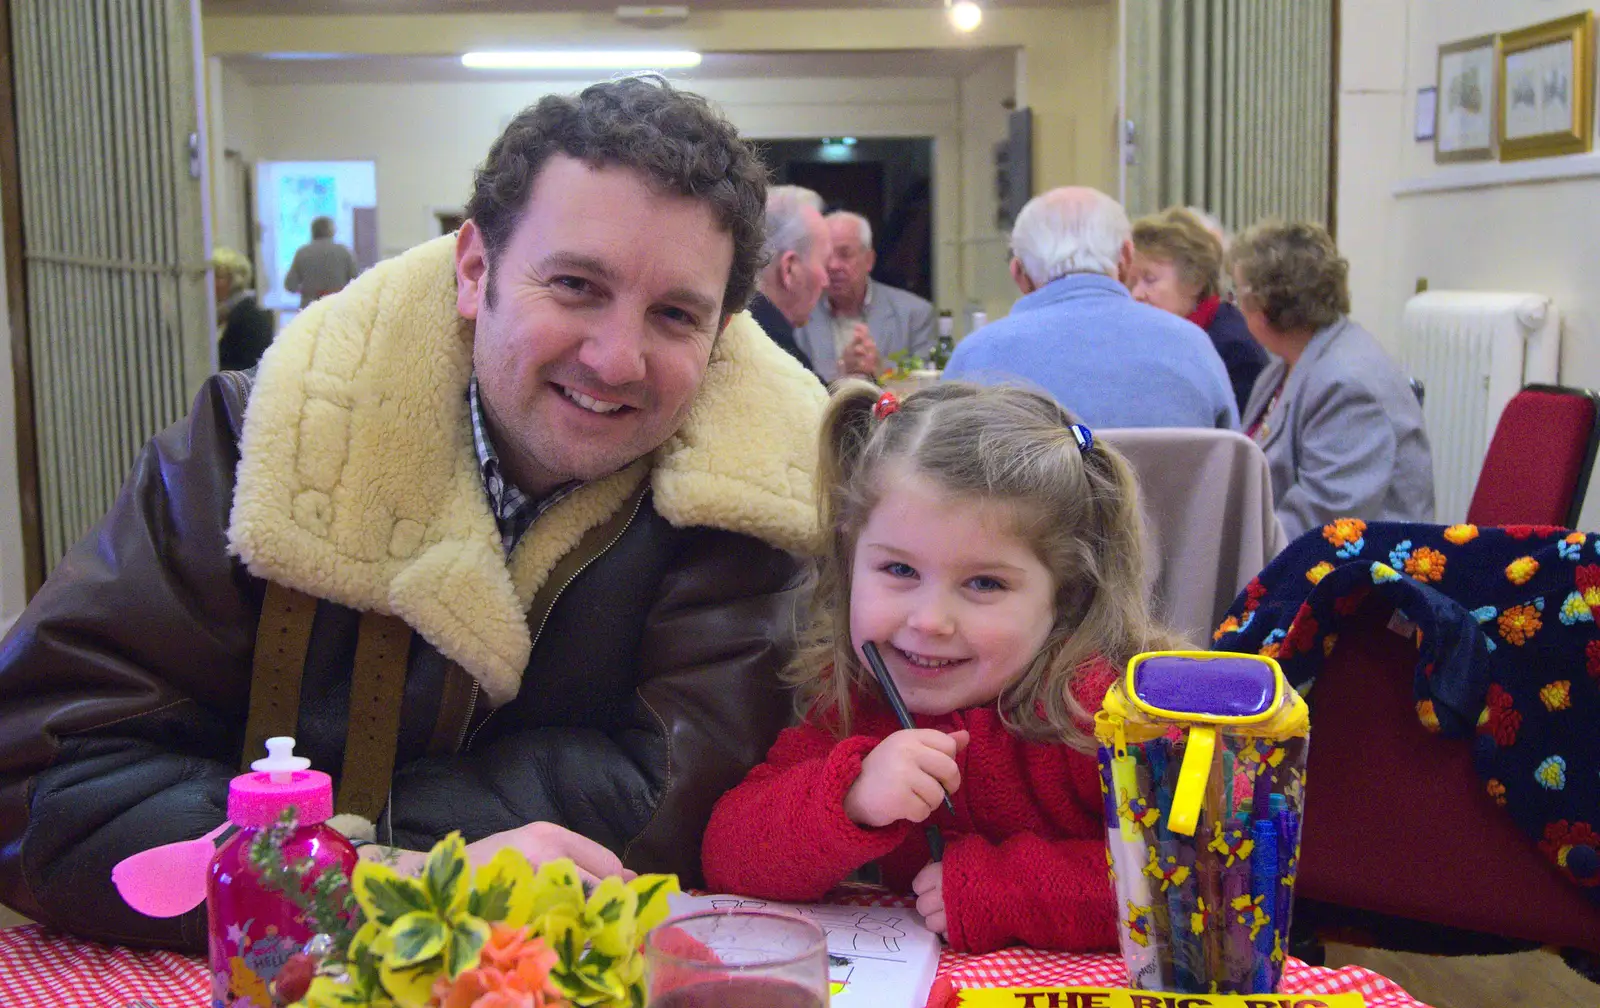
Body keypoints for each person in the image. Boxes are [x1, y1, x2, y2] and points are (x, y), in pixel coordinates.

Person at [0, 76, 827, 949]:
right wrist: (379, 875)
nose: (619, 360)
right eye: (577, 284)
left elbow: (671, 800)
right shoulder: (252, 441)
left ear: (722, 333)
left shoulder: (751, 507)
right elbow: (39, 777)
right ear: (476, 271)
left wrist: (317, 840)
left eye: (674, 315)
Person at [702, 381, 1183, 953]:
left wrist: (1003, 889)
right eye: (899, 571)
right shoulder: (859, 702)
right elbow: (727, 856)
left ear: (1067, 597)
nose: (930, 621)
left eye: (984, 583)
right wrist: (850, 797)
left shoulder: (1106, 712)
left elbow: (1189, 881)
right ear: (850, 560)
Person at [942, 187, 1238, 430]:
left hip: (1038, 504)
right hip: (1167, 504)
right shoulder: (1193, 346)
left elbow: (944, 478)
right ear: (1125, 257)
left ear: (1019, 274)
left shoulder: (976, 357)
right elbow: (1233, 469)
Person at [1229, 220, 1434, 540]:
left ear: (1266, 304)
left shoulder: (1347, 384)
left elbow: (1320, 524)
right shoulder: (1281, 368)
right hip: (1295, 559)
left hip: (1363, 576)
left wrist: (1227, 548)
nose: (1234, 306)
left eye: (1236, 294)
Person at [1129, 207, 1267, 415]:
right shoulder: (1148, 337)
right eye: (1131, 282)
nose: (1136, 294)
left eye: (1150, 280)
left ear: (1195, 281)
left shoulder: (1235, 351)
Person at [796, 211, 936, 382]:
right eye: (826, 255)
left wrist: (882, 369)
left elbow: (927, 388)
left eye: (845, 254)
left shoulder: (915, 314)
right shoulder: (800, 314)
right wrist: (841, 370)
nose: (833, 265)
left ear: (869, 260)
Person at [746, 185, 830, 375]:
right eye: (823, 263)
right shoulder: (778, 358)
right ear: (789, 268)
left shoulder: (726, 327)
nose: (826, 281)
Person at [213, 246, 276, 372]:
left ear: (235, 280)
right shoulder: (223, 311)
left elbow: (249, 363)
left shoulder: (252, 314)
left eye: (218, 276)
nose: (211, 283)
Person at [284, 215, 359, 309]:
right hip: (338, 306)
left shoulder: (302, 253)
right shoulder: (344, 251)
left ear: (313, 231)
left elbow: (290, 285)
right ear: (331, 231)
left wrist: (307, 291)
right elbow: (356, 281)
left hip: (310, 308)